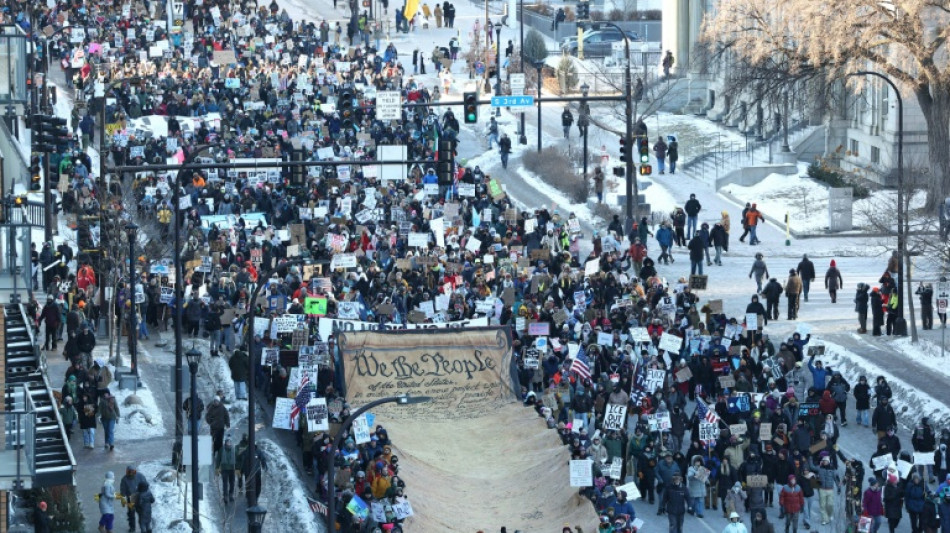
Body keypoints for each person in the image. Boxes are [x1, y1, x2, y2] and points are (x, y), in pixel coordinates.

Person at [119, 466, 146, 533]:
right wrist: (123, 499)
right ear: (127, 472)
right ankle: (132, 528)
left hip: (140, 498)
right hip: (131, 499)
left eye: (132, 472)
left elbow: (146, 485)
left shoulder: (140, 476)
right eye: (129, 472)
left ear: (135, 471)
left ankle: (142, 527)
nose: (131, 473)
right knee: (131, 514)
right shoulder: (124, 479)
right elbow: (123, 491)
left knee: (141, 514)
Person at [215, 434, 238, 503]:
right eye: (227, 442)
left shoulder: (234, 450)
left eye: (230, 442)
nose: (229, 443)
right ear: (225, 442)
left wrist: (238, 468)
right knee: (225, 483)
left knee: (232, 483)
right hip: (224, 469)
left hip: (232, 469)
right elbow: (218, 459)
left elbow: (237, 459)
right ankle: (225, 496)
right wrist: (217, 468)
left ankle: (231, 495)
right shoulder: (222, 449)